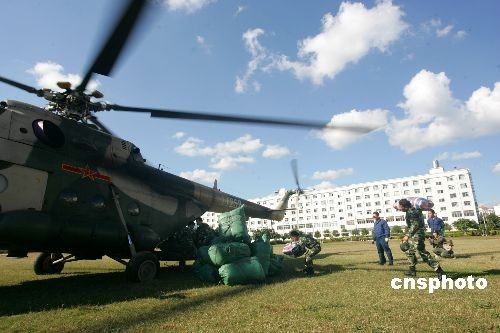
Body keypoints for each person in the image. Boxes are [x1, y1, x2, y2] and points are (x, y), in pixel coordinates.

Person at [398, 199, 445, 278]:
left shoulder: (411, 212)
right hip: (416, 235)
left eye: (401, 207)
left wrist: (407, 235)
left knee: (423, 254)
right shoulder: (415, 210)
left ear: (404, 206)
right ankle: (412, 270)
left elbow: (415, 225)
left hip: (417, 235)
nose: (400, 208)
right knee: (409, 251)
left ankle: (440, 271)